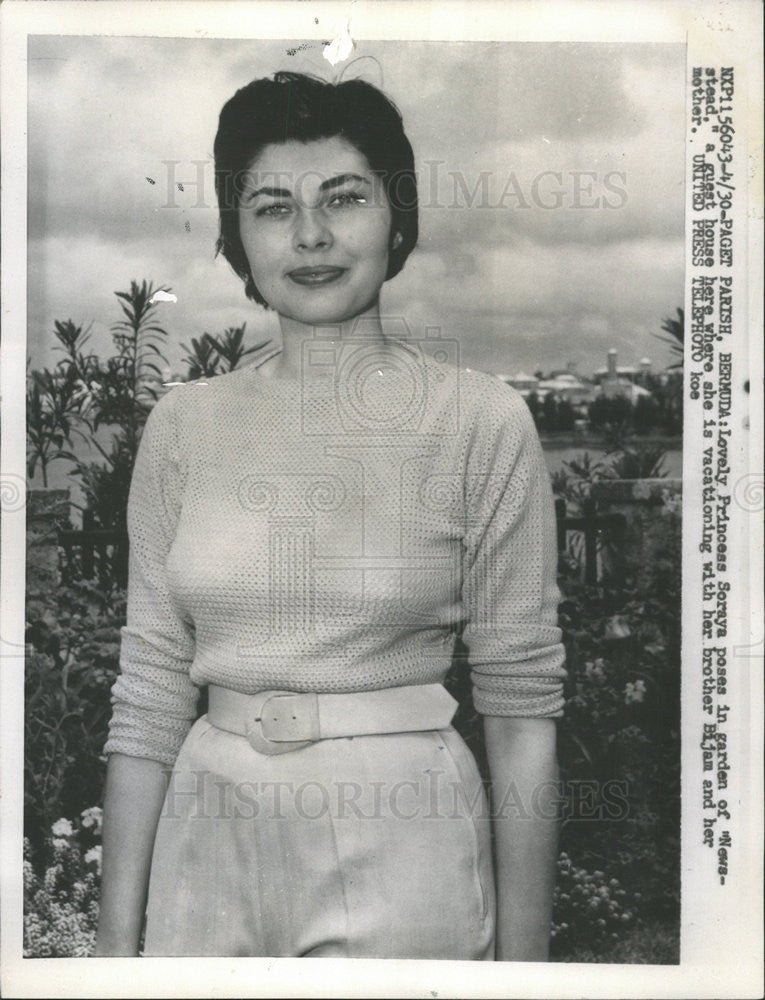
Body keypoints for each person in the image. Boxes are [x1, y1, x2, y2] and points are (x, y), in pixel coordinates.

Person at [95, 71, 566, 960]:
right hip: (205, 832)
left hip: (408, 836)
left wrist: (526, 968)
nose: (310, 235)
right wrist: (113, 954)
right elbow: (151, 693)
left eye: (343, 198)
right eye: (272, 207)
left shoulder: (479, 421)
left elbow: (519, 707)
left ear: (398, 217)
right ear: (237, 236)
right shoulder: (182, 425)